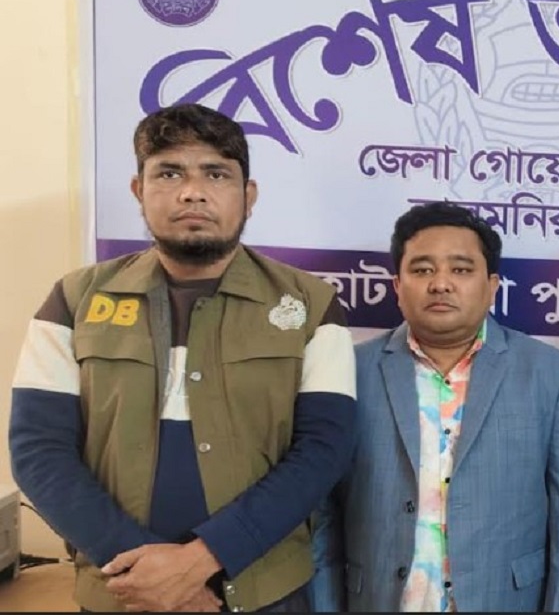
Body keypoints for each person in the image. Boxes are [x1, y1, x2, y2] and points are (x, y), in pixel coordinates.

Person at [8, 103, 357, 612]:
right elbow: (37, 451)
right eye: (169, 173)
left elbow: (325, 450)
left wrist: (201, 562)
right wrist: (148, 574)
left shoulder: (311, 305)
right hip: (122, 593)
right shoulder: (73, 301)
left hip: (265, 593)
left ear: (248, 195)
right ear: (139, 190)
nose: (193, 191)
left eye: (216, 173)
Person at [310, 201, 559, 612]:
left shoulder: (551, 375)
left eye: (461, 270)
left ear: (492, 285)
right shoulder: (350, 371)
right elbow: (321, 518)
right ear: (397, 286)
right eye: (422, 270)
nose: (441, 283)